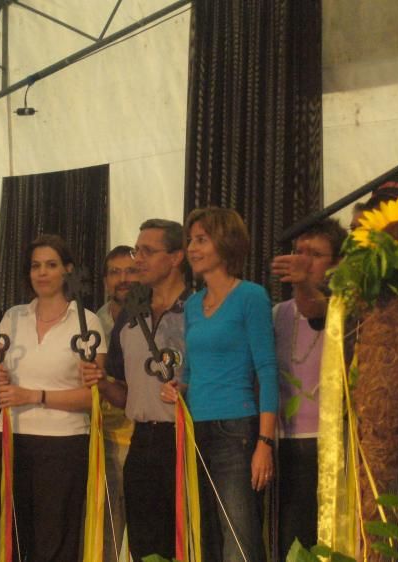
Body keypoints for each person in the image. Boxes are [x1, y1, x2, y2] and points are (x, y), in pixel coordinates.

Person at [0, 234, 107, 562]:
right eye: (36, 266)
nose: (42, 273)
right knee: (3, 538)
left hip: (62, 443)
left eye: (51, 265)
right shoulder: (13, 316)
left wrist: (34, 395)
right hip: (9, 437)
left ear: (68, 270)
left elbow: (92, 396)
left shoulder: (87, 321)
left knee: (53, 540)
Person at [161, 207, 278, 562]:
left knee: (239, 535)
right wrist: (178, 388)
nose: (192, 248)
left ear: (225, 243)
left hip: (236, 429)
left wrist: (264, 442)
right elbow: (191, 371)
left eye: (201, 240)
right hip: (196, 429)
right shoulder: (193, 305)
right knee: (207, 532)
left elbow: (267, 370)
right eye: (190, 240)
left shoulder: (251, 296)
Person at [83, 218, 188, 561]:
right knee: (144, 545)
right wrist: (101, 383)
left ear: (176, 257)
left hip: (186, 439)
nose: (138, 259)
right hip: (142, 442)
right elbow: (125, 393)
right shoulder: (129, 318)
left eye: (147, 251)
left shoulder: (198, 310)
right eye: (136, 250)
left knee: (186, 541)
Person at [269, 218, 346, 560]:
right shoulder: (277, 314)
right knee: (291, 540)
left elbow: (316, 308)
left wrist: (305, 283)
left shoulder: (345, 309)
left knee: (330, 539)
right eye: (298, 252)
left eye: (314, 254)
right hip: (285, 444)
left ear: (337, 263)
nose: (302, 260)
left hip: (332, 445)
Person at [96, 245, 139, 560]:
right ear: (105, 280)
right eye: (115, 272)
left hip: (142, 439)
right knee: (105, 534)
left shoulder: (153, 320)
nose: (123, 279)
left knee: (145, 530)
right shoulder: (88, 324)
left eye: (131, 271)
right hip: (102, 441)